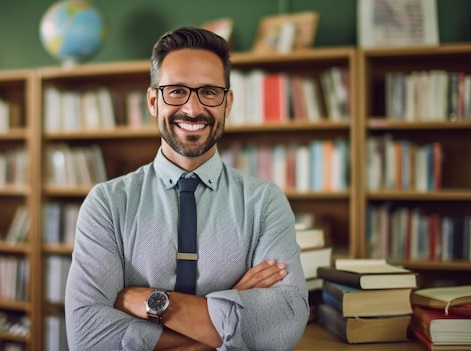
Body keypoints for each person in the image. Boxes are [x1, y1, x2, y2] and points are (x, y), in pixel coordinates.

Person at [65, 26, 309, 350]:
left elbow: (285, 323)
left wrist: (151, 302)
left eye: (209, 92)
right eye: (176, 91)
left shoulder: (265, 203)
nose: (193, 109)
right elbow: (87, 337)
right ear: (153, 101)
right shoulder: (107, 205)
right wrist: (230, 317)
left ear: (228, 103)